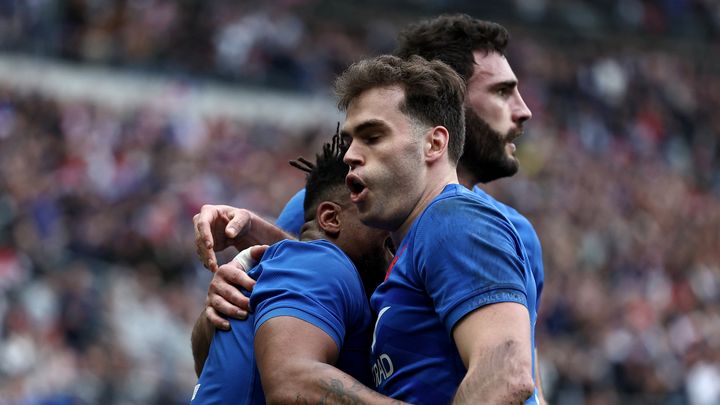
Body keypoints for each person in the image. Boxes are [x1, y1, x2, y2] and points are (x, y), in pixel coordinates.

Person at [193, 14, 543, 333]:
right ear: (448, 97)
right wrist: (238, 278)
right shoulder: (339, 201)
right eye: (501, 92)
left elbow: (522, 377)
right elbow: (292, 310)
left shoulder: (517, 233)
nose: (523, 111)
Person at [336, 54, 536, 404]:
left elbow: (505, 375)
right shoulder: (418, 239)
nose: (350, 154)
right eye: (350, 140)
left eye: (372, 136)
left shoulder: (453, 220)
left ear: (434, 143)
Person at [190, 133, 403, 404]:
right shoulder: (323, 261)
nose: (395, 231)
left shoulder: (305, 269)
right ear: (331, 218)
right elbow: (291, 384)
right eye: (382, 213)